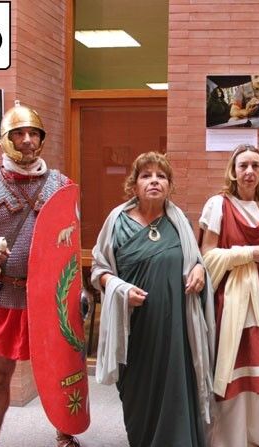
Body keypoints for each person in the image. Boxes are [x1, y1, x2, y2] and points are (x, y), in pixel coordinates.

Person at [0, 101, 80, 447]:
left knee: (60, 369)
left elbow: (70, 242)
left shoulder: (62, 185)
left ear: (41, 138)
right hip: (7, 293)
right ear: (5, 139)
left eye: (33, 133)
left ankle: (65, 431)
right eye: (18, 133)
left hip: (51, 297)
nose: (27, 140)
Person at [91, 151, 215, 447]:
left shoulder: (179, 222)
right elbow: (98, 270)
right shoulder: (117, 221)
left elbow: (195, 261)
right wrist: (119, 288)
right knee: (137, 394)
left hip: (176, 329)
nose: (154, 181)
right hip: (134, 327)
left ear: (169, 185)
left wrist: (200, 269)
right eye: (146, 176)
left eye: (161, 176)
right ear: (134, 185)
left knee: (175, 389)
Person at [199, 144, 259, 447]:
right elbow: (207, 256)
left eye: (255, 166)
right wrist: (247, 254)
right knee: (232, 367)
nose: (249, 171)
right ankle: (228, 439)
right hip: (231, 302)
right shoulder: (218, 205)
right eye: (243, 166)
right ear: (233, 171)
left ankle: (255, 436)